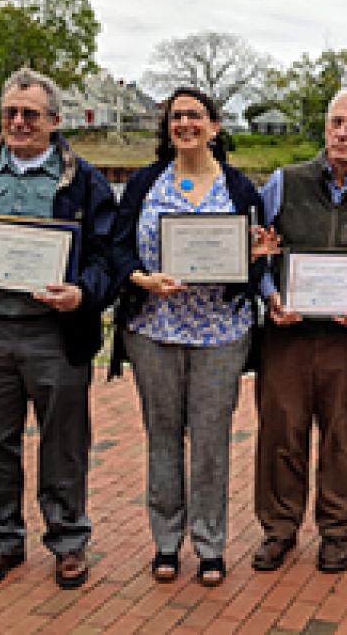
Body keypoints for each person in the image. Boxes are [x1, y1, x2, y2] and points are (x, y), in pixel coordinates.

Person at [110, 87, 271, 587]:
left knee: (210, 443)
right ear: (168, 128)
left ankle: (209, 544)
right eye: (176, 116)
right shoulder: (143, 184)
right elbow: (117, 248)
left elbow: (248, 268)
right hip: (153, 330)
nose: (185, 124)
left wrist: (257, 256)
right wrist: (142, 278)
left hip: (220, 333)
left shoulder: (241, 189)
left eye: (195, 115)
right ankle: (165, 541)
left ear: (215, 127)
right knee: (162, 438)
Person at [0, 68, 116, 591]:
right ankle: (3, 538)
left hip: (54, 332)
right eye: (10, 112)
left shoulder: (84, 180)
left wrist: (84, 293)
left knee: (64, 441)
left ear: (55, 122)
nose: (18, 122)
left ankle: (67, 539)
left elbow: (108, 256)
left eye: (30, 114)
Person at [252, 88, 347, 574]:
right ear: (325, 127)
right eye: (337, 123)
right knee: (281, 432)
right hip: (287, 332)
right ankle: (278, 528)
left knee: (344, 435)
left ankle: (336, 532)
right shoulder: (283, 182)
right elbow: (259, 249)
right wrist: (270, 295)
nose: (344, 133)